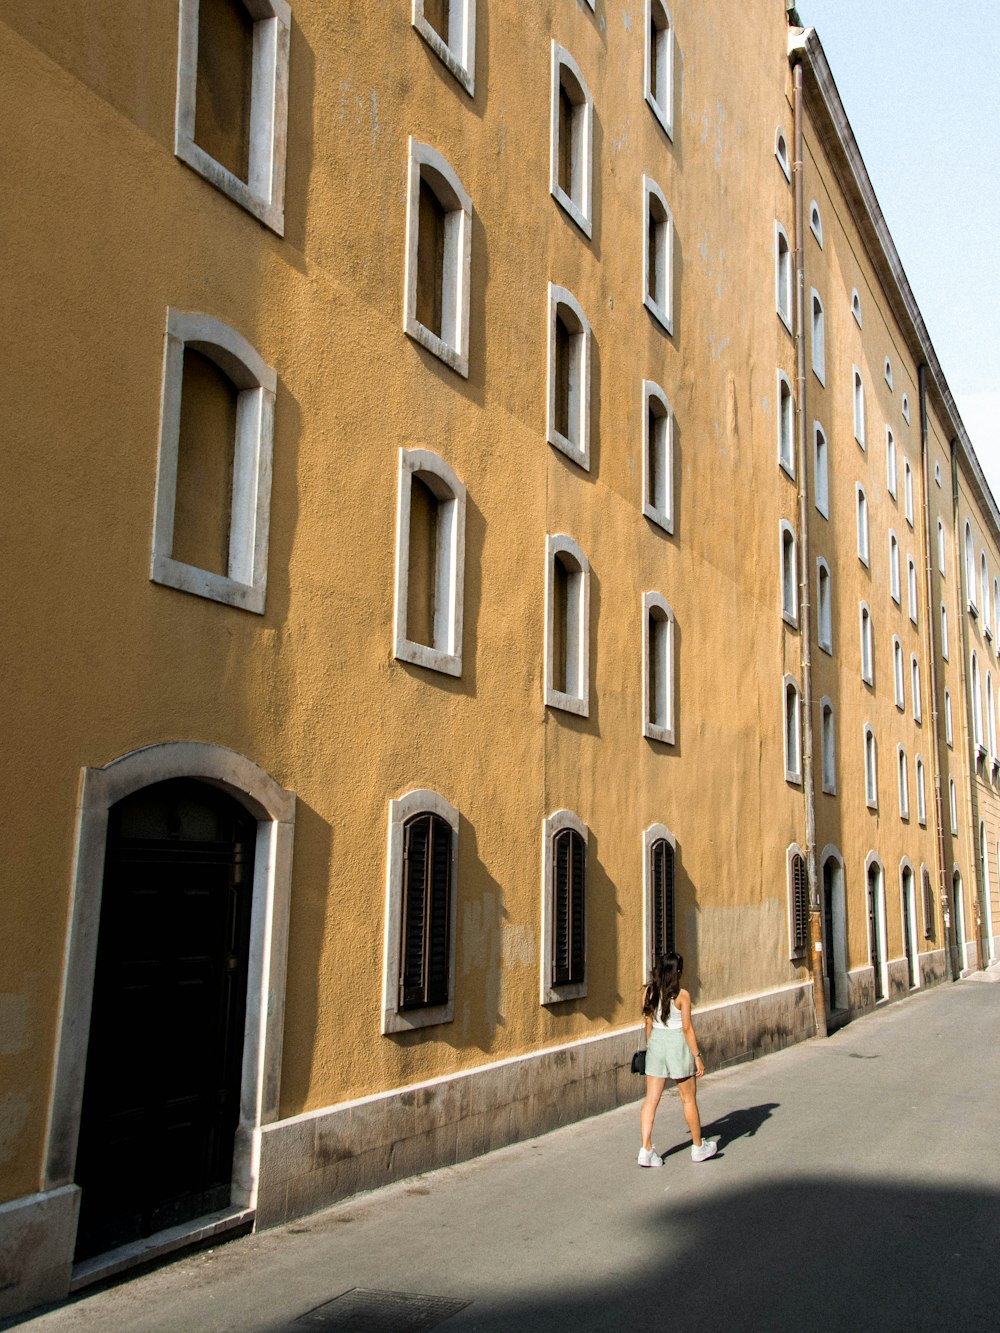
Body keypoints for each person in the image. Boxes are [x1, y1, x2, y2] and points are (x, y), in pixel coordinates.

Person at [638, 951, 717, 1166]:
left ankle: (645, 1149)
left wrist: (651, 1046)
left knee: (651, 1100)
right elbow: (687, 1028)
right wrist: (697, 1056)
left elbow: (647, 1024)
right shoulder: (682, 996)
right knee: (688, 1098)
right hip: (676, 1046)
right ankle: (698, 1146)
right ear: (677, 972)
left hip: (655, 1043)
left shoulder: (648, 992)